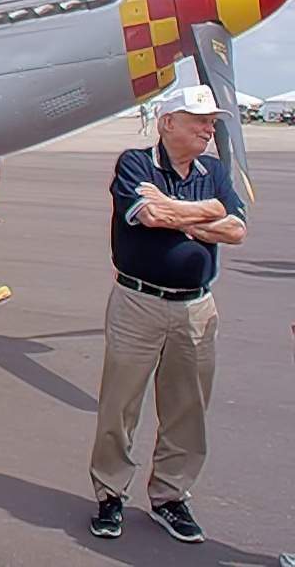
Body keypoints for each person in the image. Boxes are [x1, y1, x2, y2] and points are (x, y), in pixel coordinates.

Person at [89, 85, 247, 543]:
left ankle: (170, 497)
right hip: (138, 302)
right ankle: (110, 493)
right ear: (167, 123)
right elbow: (148, 216)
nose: (208, 128)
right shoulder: (135, 163)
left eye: (211, 121)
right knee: (120, 404)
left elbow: (235, 228)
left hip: (197, 307)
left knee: (187, 408)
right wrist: (203, 217)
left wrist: (177, 209)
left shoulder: (214, 169)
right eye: (198, 120)